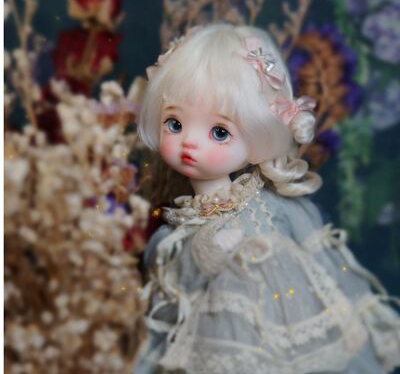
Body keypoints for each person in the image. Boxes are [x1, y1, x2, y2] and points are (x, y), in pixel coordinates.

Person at [133, 23, 400, 374]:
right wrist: (205, 254)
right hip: (217, 343)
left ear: (259, 134)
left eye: (219, 132)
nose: (190, 143)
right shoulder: (176, 234)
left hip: (286, 336)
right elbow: (176, 296)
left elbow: (318, 256)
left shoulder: (275, 207)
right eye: (174, 124)